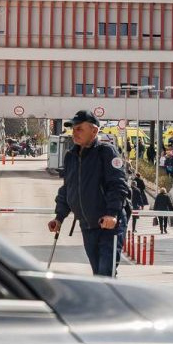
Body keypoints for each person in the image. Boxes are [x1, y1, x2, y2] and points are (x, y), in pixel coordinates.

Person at [49, 110, 130, 277]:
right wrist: (59, 217)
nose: (74, 133)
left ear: (94, 131)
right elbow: (67, 189)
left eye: (79, 129)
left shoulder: (106, 152)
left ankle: (108, 302)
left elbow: (118, 185)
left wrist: (112, 214)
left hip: (109, 225)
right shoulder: (71, 156)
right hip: (87, 225)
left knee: (105, 274)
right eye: (73, 129)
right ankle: (107, 301)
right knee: (97, 274)